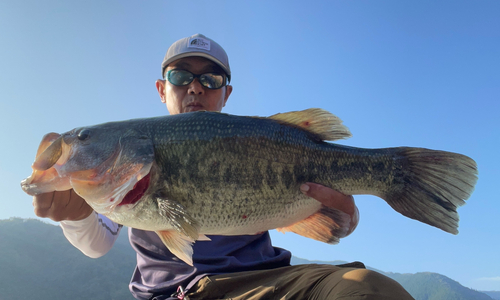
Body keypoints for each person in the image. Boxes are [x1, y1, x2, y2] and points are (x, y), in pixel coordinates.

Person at [33, 34, 413, 300]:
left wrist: (344, 218)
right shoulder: (127, 168)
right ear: (161, 88)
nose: (195, 87)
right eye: (180, 76)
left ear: (226, 93)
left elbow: (331, 222)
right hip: (175, 294)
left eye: (210, 78)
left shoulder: (253, 135)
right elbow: (98, 243)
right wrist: (75, 215)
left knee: (370, 290)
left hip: (270, 282)